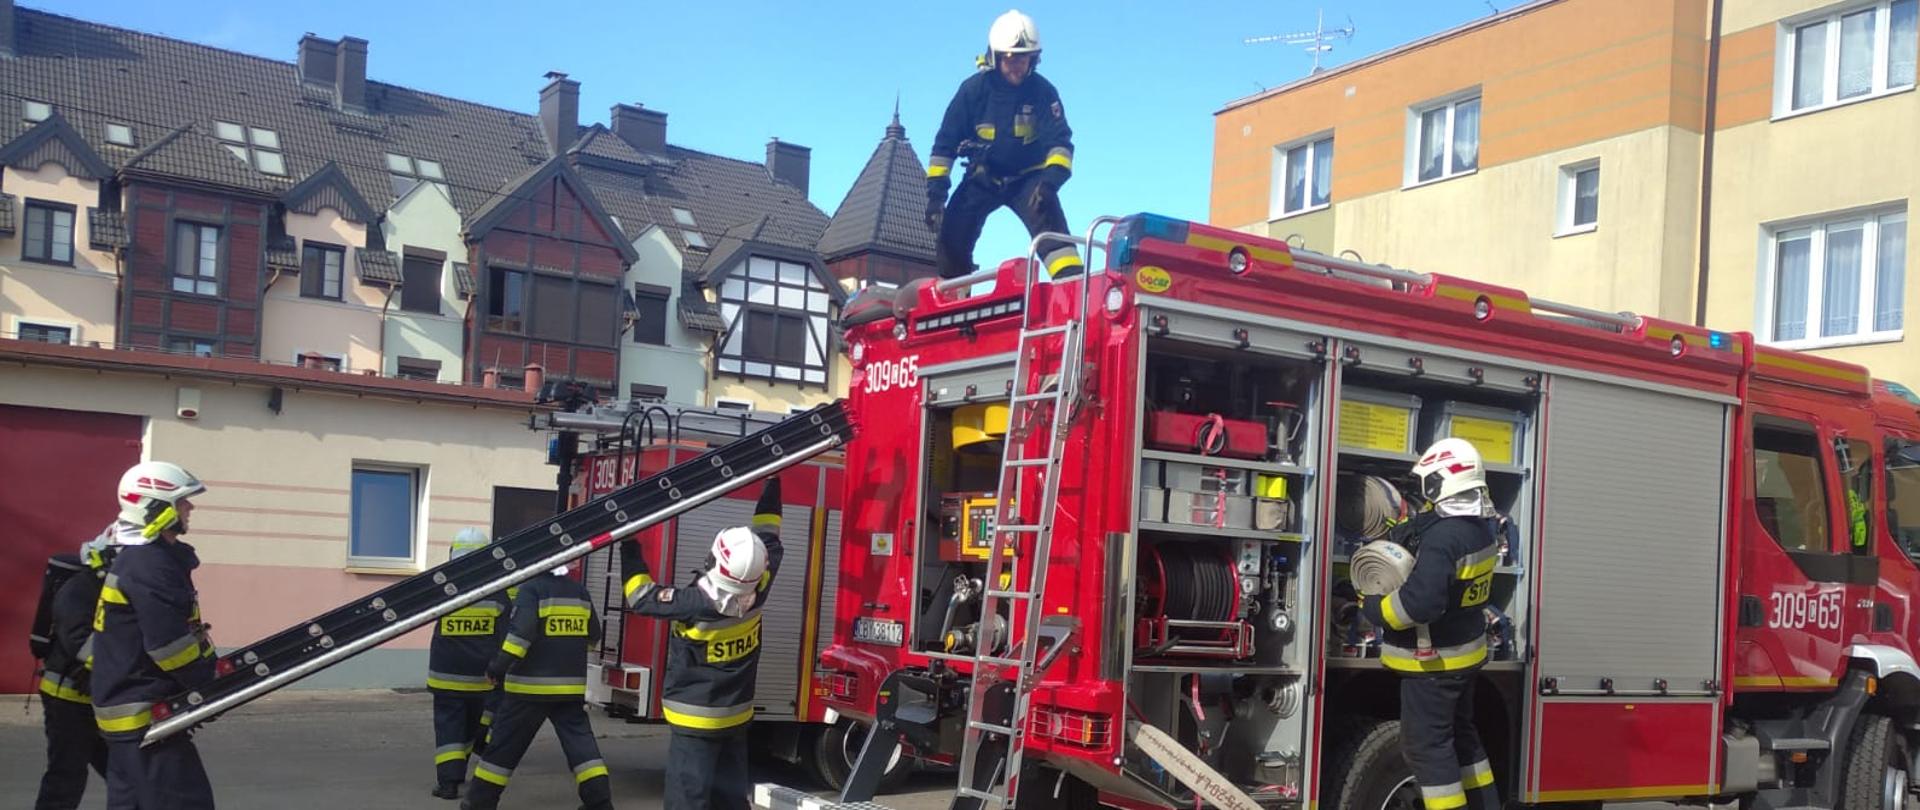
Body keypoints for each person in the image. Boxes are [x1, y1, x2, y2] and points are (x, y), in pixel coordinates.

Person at [621, 477, 783, 810]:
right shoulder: (762, 587)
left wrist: (629, 544)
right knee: (730, 800)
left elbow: (640, 596)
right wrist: (773, 481)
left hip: (694, 723)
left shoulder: (694, 603)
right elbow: (769, 533)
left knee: (687, 800)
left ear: (714, 561)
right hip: (736, 717)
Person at [1359, 438, 1500, 810]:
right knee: (1463, 741)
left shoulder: (1442, 538)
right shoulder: (1479, 528)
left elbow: (1419, 604)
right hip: (1464, 656)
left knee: (1427, 749)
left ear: (1441, 482)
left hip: (1434, 664)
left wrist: (1372, 608)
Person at [90, 461, 219, 809]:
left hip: (127, 719)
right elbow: (170, 647)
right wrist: (207, 683)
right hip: (145, 719)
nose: (190, 508)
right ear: (156, 507)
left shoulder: (140, 560)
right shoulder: (150, 564)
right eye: (182, 501)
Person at [926, 9, 1083, 280]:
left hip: (1029, 181)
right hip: (982, 177)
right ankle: (955, 297)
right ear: (995, 56)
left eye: (1023, 58)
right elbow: (945, 145)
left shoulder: (1043, 92)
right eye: (1010, 59)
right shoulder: (973, 91)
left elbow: (1060, 142)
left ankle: (1074, 291)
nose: (1017, 66)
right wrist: (936, 196)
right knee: (952, 238)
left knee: (1057, 243)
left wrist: (1049, 184)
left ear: (1034, 59)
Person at [461, 563, 612, 810]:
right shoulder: (580, 592)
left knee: (504, 747)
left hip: (528, 689)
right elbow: (594, 635)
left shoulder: (532, 590)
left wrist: (497, 667)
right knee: (581, 746)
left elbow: (520, 636)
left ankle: (479, 803)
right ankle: (600, 802)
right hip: (569, 688)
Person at [32, 530, 116, 810]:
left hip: (95, 701)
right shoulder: (80, 590)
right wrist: (121, 666)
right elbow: (80, 643)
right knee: (66, 777)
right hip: (66, 699)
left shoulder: (107, 591)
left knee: (126, 774)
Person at [427, 528, 509, 800]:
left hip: (446, 674)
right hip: (481, 677)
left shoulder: (443, 587)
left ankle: (448, 783)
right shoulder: (495, 589)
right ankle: (462, 773)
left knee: (448, 728)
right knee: (471, 728)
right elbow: (505, 631)